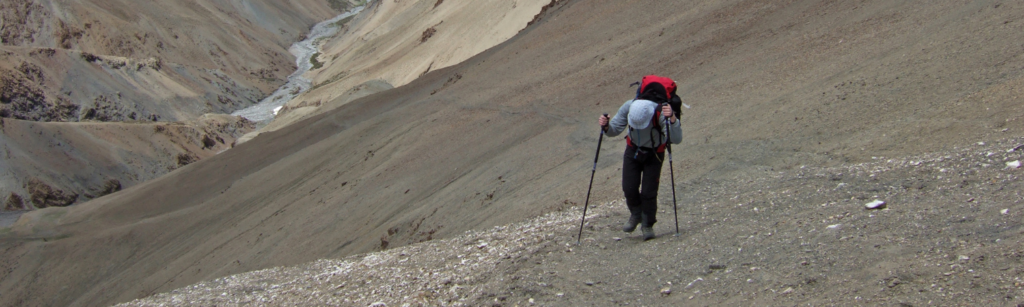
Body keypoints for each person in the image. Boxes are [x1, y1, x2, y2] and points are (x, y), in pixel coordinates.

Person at [598, 83, 682, 240]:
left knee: (649, 192)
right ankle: (636, 214)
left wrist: (672, 118)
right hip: (633, 150)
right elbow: (614, 130)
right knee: (628, 188)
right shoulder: (628, 107)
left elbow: (676, 139)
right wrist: (606, 126)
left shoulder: (660, 113)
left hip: (654, 154)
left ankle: (647, 224)